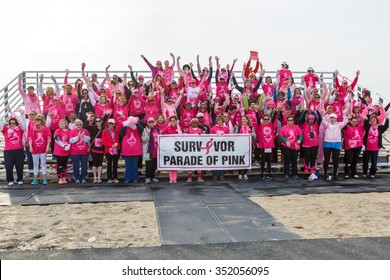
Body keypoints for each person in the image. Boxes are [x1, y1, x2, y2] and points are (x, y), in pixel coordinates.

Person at [0, 108, 26, 186]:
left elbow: (24, 125)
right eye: (11, 123)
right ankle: (10, 180)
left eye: (14, 123)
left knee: (19, 166)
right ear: (9, 123)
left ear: (16, 123)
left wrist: (22, 115)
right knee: (8, 167)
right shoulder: (5, 129)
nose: (12, 124)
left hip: (19, 150)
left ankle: (19, 179)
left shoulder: (19, 129)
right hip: (8, 151)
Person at [321, 113, 348, 180]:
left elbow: (345, 121)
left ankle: (335, 175)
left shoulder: (339, 125)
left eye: (333, 118)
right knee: (326, 159)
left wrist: (344, 115)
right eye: (331, 118)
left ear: (336, 119)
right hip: (327, 143)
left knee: (335, 160)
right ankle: (324, 174)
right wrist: (323, 114)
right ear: (330, 119)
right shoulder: (327, 125)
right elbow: (323, 120)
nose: (332, 119)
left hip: (336, 143)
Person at [362, 113, 389, 178]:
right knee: (365, 161)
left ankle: (372, 173)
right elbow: (365, 121)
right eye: (372, 119)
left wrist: (387, 119)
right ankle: (365, 172)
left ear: (377, 121)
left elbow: (386, 126)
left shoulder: (379, 128)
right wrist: (368, 116)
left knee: (374, 161)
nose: (373, 120)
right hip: (367, 147)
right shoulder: (368, 126)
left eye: (374, 119)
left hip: (375, 148)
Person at [28, 114, 51, 185]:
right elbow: (30, 139)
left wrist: (47, 146)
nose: (36, 121)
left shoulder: (46, 128)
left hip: (43, 148)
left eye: (38, 120)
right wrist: (30, 146)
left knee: (43, 163)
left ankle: (45, 178)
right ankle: (35, 179)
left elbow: (49, 138)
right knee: (35, 163)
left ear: (42, 121)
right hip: (35, 149)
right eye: (36, 120)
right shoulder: (32, 129)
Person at [120, 116, 144, 184]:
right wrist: (127, 124)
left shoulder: (137, 129)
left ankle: (135, 178)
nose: (131, 124)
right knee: (128, 166)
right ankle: (127, 178)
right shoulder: (126, 128)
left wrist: (136, 122)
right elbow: (121, 132)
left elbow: (142, 130)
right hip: (127, 151)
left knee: (134, 166)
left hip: (135, 151)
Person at [85, 115, 108, 183]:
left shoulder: (104, 128)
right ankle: (95, 177)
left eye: (99, 121)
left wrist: (106, 115)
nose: (98, 122)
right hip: (94, 148)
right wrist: (88, 119)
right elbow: (86, 126)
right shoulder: (93, 128)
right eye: (96, 121)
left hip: (101, 148)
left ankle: (99, 177)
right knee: (94, 163)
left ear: (101, 122)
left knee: (100, 163)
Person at [299, 111, 322, 178]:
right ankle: (306, 172)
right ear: (307, 120)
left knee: (313, 159)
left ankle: (312, 172)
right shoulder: (304, 124)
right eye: (309, 119)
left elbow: (320, 119)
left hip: (314, 145)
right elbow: (302, 118)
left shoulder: (316, 125)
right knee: (307, 159)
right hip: (306, 145)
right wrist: (305, 111)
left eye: (312, 119)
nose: (311, 120)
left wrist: (317, 112)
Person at [279, 116, 303, 180]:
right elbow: (281, 136)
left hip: (294, 147)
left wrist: (299, 140)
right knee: (287, 159)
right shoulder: (283, 128)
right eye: (288, 120)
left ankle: (294, 174)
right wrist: (286, 141)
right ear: (286, 121)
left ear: (293, 121)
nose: (290, 121)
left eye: (291, 120)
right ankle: (286, 174)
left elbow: (301, 134)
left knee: (294, 160)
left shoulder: (296, 127)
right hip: (286, 146)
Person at [256, 112, 277, 180]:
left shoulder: (271, 124)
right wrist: (256, 111)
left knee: (269, 160)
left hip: (269, 145)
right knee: (263, 159)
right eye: (265, 119)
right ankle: (262, 173)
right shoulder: (261, 125)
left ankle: (269, 173)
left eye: (267, 119)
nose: (266, 120)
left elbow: (273, 118)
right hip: (262, 145)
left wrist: (276, 110)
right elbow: (257, 119)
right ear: (263, 119)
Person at [69, 119, 91, 184]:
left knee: (84, 166)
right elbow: (71, 140)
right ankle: (77, 178)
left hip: (84, 152)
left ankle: (83, 178)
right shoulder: (72, 131)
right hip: (75, 152)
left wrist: (83, 136)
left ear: (82, 125)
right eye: (77, 124)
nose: (79, 126)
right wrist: (77, 137)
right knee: (76, 166)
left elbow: (88, 139)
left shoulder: (85, 131)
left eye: (80, 124)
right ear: (75, 125)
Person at [235, 115, 255, 181]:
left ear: (247, 120)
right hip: (240, 146)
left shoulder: (251, 127)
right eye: (242, 119)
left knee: (247, 159)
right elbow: (234, 136)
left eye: (245, 119)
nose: (243, 120)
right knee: (240, 160)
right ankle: (240, 173)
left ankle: (245, 173)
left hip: (248, 146)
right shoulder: (238, 127)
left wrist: (252, 135)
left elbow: (255, 136)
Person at [163, 115, 183, 183]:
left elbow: (182, 137)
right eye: (171, 121)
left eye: (174, 121)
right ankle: (171, 178)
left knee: (175, 163)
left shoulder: (179, 128)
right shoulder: (167, 128)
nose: (172, 122)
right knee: (171, 163)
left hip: (176, 149)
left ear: (176, 121)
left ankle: (175, 178)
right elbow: (163, 137)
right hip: (170, 148)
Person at [210, 115, 230, 180]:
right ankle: (215, 175)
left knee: (222, 161)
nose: (219, 122)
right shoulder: (213, 128)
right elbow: (210, 137)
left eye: (220, 120)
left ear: (222, 121)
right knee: (215, 160)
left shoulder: (226, 128)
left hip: (223, 147)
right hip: (215, 147)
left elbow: (229, 137)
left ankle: (221, 175)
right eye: (218, 120)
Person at [142, 117, 161, 184]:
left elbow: (161, 139)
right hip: (149, 150)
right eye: (150, 122)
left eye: (152, 121)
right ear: (147, 123)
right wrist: (149, 134)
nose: (151, 123)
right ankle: (147, 178)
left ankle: (153, 177)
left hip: (156, 150)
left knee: (153, 166)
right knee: (149, 166)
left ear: (154, 122)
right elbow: (143, 140)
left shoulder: (158, 130)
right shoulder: (145, 130)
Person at [102, 119, 121, 183]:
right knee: (109, 164)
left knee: (115, 164)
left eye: (112, 123)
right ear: (107, 124)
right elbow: (103, 141)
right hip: (108, 150)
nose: (110, 125)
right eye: (109, 123)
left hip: (116, 149)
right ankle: (109, 178)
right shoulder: (104, 131)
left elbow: (122, 124)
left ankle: (115, 178)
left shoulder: (116, 130)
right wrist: (111, 145)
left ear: (114, 124)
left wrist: (123, 117)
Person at [186, 118, 205, 182]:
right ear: (191, 123)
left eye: (196, 122)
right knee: (190, 163)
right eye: (193, 122)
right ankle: (189, 177)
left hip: (198, 149)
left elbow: (204, 138)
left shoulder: (200, 130)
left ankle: (199, 177)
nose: (195, 124)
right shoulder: (188, 129)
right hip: (191, 149)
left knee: (198, 163)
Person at [53, 119, 71, 184]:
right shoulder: (57, 131)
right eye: (60, 124)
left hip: (66, 151)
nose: (61, 125)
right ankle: (60, 178)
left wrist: (68, 146)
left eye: (63, 124)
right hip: (59, 151)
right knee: (60, 165)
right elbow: (57, 140)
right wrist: (63, 146)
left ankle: (64, 177)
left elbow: (70, 139)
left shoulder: (69, 131)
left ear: (66, 124)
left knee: (64, 165)